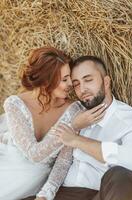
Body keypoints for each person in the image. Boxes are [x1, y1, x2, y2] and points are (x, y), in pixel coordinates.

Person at [0, 48, 106, 200]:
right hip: (7, 165)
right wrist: (73, 126)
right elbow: (34, 155)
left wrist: (46, 193)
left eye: (70, 78)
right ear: (46, 81)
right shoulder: (15, 104)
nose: (71, 84)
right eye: (64, 79)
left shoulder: (74, 110)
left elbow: (64, 161)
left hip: (34, 179)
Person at [48, 56, 132, 200]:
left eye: (88, 80)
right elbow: (44, 152)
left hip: (100, 194)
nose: (82, 89)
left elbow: (131, 159)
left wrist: (77, 140)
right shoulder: (74, 112)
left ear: (106, 82)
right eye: (76, 84)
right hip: (63, 193)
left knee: (121, 176)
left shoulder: (127, 118)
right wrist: (74, 126)